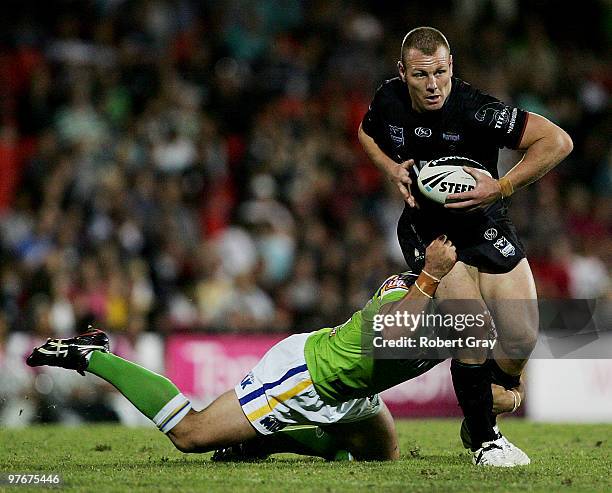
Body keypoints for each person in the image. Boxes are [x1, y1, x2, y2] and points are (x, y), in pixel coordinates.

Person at [27, 236, 526, 466]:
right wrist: (433, 274)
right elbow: (394, 335)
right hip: (308, 377)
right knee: (192, 433)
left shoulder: (462, 320)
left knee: (380, 456)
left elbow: (476, 370)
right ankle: (92, 354)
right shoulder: (410, 294)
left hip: (355, 392)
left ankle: (262, 442)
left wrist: (498, 395)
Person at [358, 27, 573, 457]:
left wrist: (503, 186)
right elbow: (366, 133)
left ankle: (484, 401)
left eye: (440, 71)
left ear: (451, 65)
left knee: (520, 339)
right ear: (403, 73)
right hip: (429, 229)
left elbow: (558, 141)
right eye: (421, 75)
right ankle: (485, 440)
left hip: (485, 221)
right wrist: (391, 167)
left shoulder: (477, 110)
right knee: (472, 326)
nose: (433, 84)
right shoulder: (389, 99)